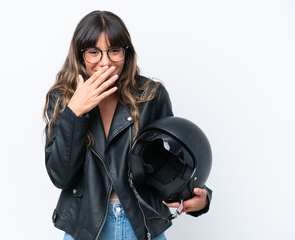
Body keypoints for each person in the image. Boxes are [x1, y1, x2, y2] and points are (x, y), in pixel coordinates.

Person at [43, 10, 212, 240]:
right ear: (81, 55)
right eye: (94, 52)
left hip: (141, 225)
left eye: (114, 50)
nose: (105, 61)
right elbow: (60, 177)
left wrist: (200, 197)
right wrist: (75, 112)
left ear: (126, 52)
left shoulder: (151, 95)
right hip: (86, 228)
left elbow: (170, 161)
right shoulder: (62, 99)